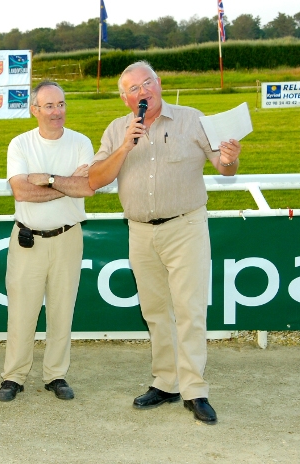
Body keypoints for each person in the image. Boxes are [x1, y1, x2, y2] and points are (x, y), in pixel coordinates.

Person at [89, 61, 241, 425]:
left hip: (185, 226)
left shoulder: (192, 119)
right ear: (125, 98)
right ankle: (166, 382)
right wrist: (125, 147)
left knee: (189, 310)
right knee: (155, 311)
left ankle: (195, 390)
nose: (143, 92)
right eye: (134, 88)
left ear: (159, 83)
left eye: (148, 83)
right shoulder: (116, 130)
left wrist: (230, 160)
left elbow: (223, 167)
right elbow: (96, 178)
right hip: (140, 231)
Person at [0, 81, 95, 402]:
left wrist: (49, 180)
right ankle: (13, 376)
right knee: (21, 312)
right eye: (49, 106)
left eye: (61, 104)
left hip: (68, 237)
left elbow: (87, 187)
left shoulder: (81, 142)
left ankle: (56, 375)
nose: (57, 112)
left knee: (62, 310)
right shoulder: (20, 144)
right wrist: (67, 184)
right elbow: (22, 191)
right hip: (28, 239)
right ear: (35, 110)